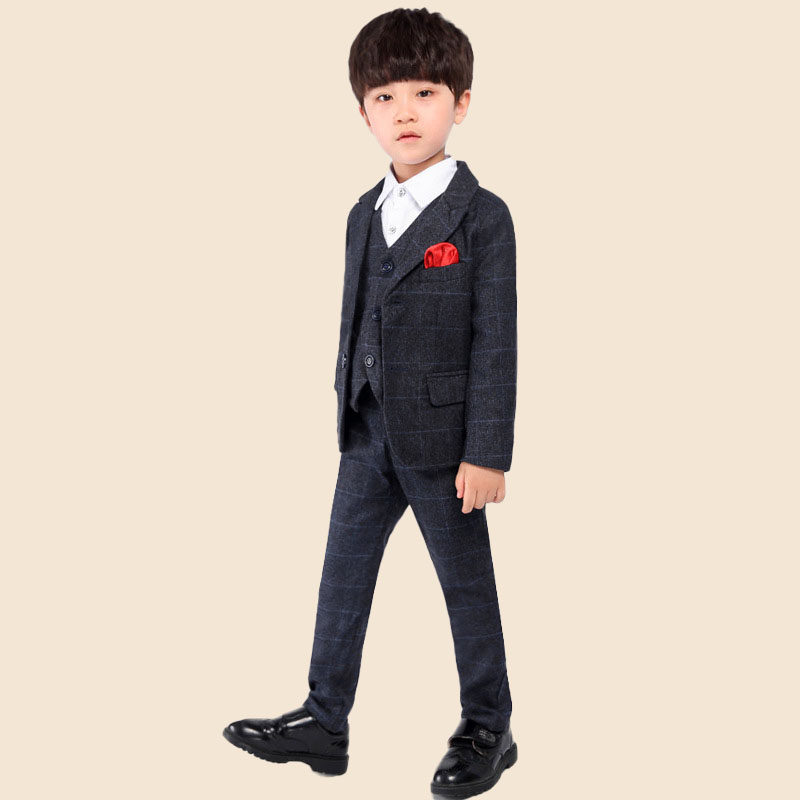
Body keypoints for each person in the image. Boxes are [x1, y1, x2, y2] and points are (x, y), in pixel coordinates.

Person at [223, 8, 518, 797]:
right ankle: (326, 718)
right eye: (385, 97)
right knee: (342, 575)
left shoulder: (482, 216)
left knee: (465, 586)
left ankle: (489, 723)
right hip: (366, 428)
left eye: (425, 93)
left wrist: (487, 450)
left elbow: (496, 338)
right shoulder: (363, 212)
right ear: (363, 113)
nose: (404, 112)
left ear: (461, 102)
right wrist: (347, 400)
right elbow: (357, 314)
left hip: (447, 442)